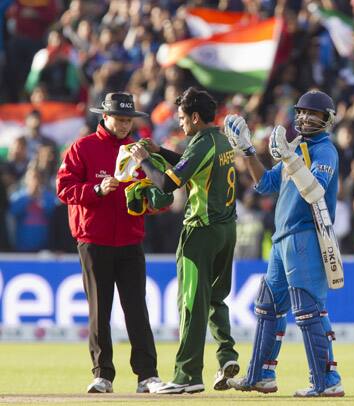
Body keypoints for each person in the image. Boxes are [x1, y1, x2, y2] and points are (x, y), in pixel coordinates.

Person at [223, 89, 345, 397]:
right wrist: (249, 151)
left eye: (312, 113)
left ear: (326, 119)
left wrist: (291, 160)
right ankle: (261, 375)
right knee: (267, 306)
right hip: (281, 237)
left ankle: (327, 382)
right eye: (301, 112)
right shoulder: (296, 146)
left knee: (308, 310)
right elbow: (265, 184)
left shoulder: (325, 150)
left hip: (307, 234)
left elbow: (315, 191)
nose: (304, 117)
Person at [129, 87, 239, 394]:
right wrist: (160, 151)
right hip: (227, 229)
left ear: (194, 117)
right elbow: (190, 164)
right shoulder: (219, 141)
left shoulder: (201, 142)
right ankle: (227, 355)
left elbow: (168, 182)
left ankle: (186, 376)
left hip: (200, 231)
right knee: (216, 298)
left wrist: (144, 160)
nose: (180, 124)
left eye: (182, 118)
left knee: (191, 304)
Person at [56, 92, 162, 394]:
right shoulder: (83, 148)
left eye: (129, 120)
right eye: (120, 119)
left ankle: (147, 376)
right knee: (99, 311)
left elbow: (158, 193)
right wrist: (97, 190)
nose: (125, 125)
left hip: (130, 240)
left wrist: (151, 201)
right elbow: (64, 188)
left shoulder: (138, 150)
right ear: (105, 117)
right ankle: (103, 375)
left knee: (136, 310)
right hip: (94, 240)